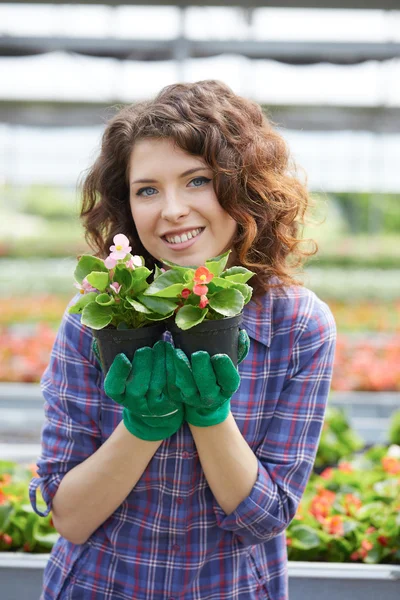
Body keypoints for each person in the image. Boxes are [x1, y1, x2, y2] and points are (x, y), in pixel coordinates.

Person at [29, 79, 336, 600]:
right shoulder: (96, 316)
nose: (171, 209)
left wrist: (212, 417)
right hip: (99, 586)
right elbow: (70, 519)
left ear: (244, 186)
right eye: (147, 189)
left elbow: (267, 520)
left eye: (196, 181)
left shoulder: (299, 327)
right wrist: (142, 428)